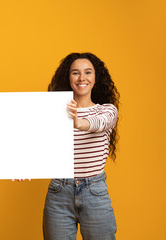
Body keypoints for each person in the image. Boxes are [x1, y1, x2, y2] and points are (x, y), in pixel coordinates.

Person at [43, 52, 120, 240]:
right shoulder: (54, 113)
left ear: (96, 78)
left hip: (94, 191)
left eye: (88, 72)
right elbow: (42, 147)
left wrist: (78, 122)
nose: (82, 78)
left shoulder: (107, 110)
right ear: (68, 78)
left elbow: (98, 124)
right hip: (59, 193)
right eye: (75, 73)